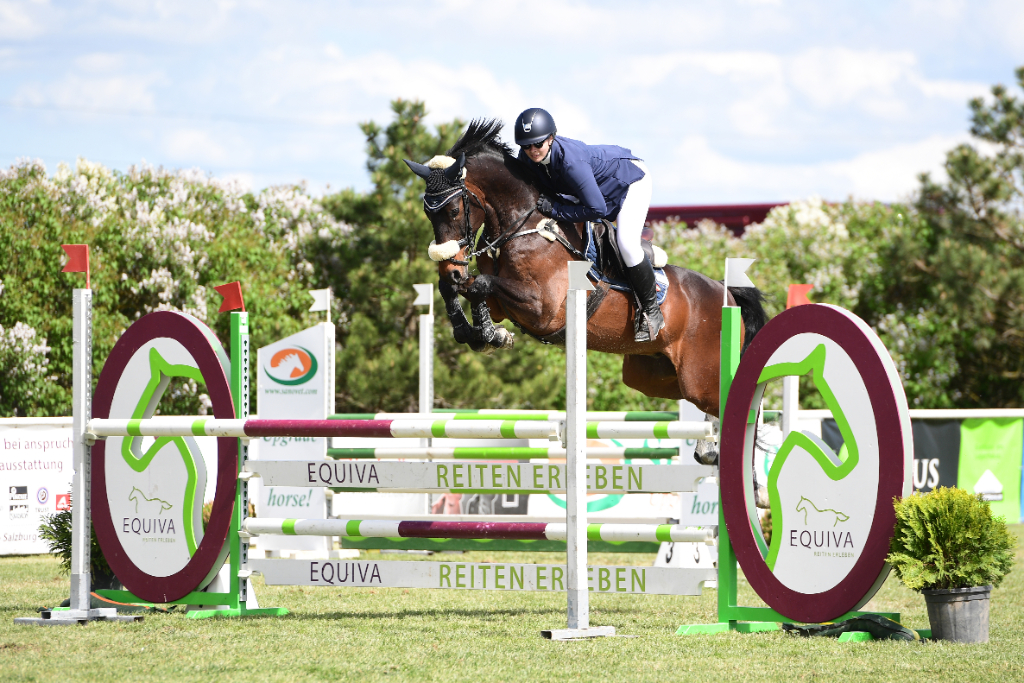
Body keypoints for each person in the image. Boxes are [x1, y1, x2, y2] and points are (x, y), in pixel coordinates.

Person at [513, 107, 663, 342]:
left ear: (551, 138)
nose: (532, 151)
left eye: (538, 144)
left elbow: (597, 209)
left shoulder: (571, 163)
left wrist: (556, 210)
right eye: (526, 146)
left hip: (629, 181)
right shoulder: (529, 158)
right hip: (590, 190)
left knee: (626, 243)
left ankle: (652, 312)